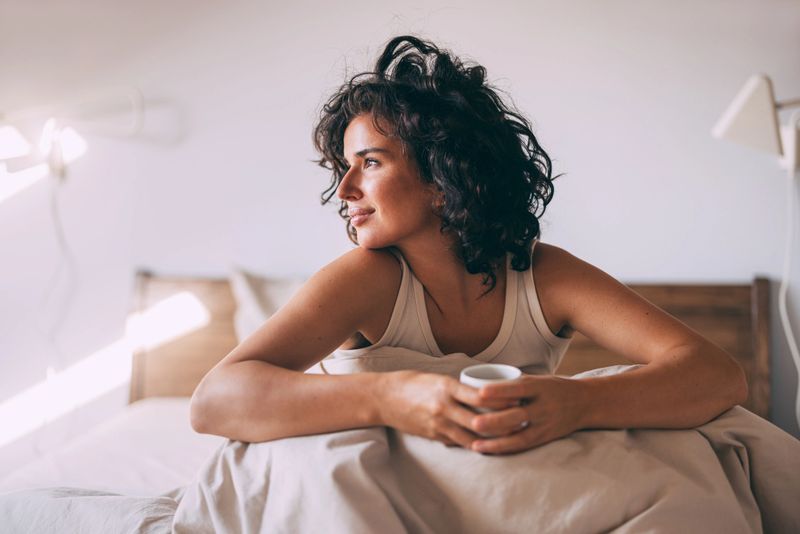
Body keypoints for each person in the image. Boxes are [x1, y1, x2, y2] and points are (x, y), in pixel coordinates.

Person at [189, 35, 749, 455]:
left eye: (371, 162)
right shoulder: (367, 279)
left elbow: (717, 375)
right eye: (344, 165)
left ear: (441, 174)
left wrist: (580, 404)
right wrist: (389, 398)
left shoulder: (544, 276)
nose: (344, 189)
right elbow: (214, 401)